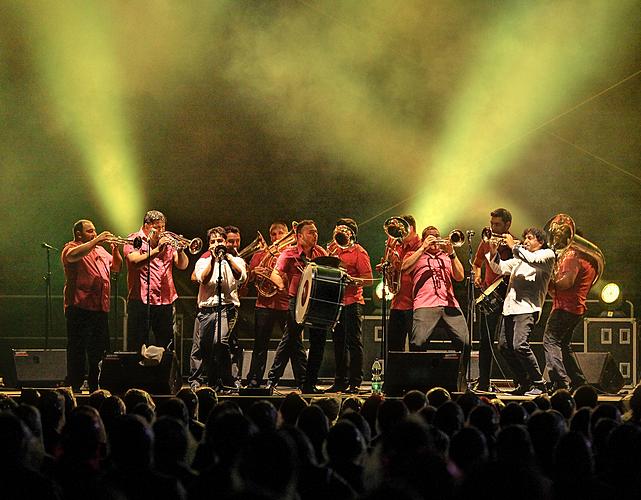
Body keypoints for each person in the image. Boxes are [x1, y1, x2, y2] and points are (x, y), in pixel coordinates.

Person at [486, 227, 555, 396]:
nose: (526, 241)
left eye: (530, 238)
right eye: (525, 238)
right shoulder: (519, 258)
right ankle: (524, 382)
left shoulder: (547, 255)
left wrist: (513, 246)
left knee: (519, 345)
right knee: (503, 347)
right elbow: (499, 268)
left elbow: (531, 259)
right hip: (510, 309)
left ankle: (539, 383)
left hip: (527, 308)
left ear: (541, 241)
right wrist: (494, 252)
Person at [401, 226, 471, 391]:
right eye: (430, 237)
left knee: (465, 343)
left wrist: (452, 253)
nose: (434, 240)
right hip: (425, 304)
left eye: (436, 237)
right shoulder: (415, 254)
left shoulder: (446, 256)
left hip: (449, 304)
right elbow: (404, 268)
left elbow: (459, 277)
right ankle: (418, 384)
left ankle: (459, 382)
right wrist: (423, 248)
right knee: (418, 343)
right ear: (424, 239)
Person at [266, 220, 328, 394]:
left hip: (316, 302)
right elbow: (276, 273)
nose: (315, 235)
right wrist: (281, 287)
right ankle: (272, 381)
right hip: (297, 301)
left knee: (318, 342)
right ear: (299, 236)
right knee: (290, 339)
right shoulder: (289, 253)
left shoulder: (321, 253)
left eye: (316, 232)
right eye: (311, 232)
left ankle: (309, 384)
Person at [61, 220, 122, 392]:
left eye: (95, 231)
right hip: (79, 306)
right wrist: (96, 240)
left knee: (99, 350)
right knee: (77, 348)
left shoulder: (101, 250)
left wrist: (115, 249)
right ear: (79, 234)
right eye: (90, 231)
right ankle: (75, 384)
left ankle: (96, 384)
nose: (94, 234)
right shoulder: (71, 247)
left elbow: (116, 267)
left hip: (100, 307)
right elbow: (71, 256)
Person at [189, 226, 246, 391]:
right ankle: (213, 381)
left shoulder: (236, 260)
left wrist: (227, 258)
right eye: (213, 241)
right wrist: (214, 260)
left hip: (226, 308)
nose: (216, 244)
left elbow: (240, 276)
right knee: (206, 346)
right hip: (207, 310)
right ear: (209, 245)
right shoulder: (203, 261)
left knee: (220, 341)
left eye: (219, 241)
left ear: (225, 243)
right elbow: (204, 279)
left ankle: (228, 379)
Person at [124, 210, 189, 352]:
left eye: (163, 227)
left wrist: (180, 251)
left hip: (165, 299)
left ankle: (164, 373)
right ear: (147, 226)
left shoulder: (168, 242)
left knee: (166, 344)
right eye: (157, 227)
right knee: (137, 343)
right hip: (141, 301)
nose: (161, 231)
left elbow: (182, 265)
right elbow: (134, 262)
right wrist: (157, 250)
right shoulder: (135, 240)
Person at [326, 218, 373, 394]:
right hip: (336, 302)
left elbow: (368, 279)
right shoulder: (333, 250)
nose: (338, 232)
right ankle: (340, 381)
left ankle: (355, 382)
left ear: (351, 233)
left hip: (352, 302)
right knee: (338, 343)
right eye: (337, 228)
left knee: (353, 342)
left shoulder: (359, 252)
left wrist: (352, 280)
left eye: (343, 230)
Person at [544, 241, 597, 391]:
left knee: (550, 342)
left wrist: (547, 278)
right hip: (576, 307)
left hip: (564, 308)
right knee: (564, 345)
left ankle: (560, 381)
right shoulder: (589, 261)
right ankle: (578, 380)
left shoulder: (572, 258)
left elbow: (566, 283)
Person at [471, 208, 514, 392]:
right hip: (490, 294)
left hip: (509, 294)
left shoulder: (515, 244)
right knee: (485, 340)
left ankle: (521, 381)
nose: (493, 228)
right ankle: (483, 382)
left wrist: (511, 247)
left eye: (497, 225)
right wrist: (477, 275)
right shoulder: (486, 241)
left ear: (507, 225)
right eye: (492, 224)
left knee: (510, 341)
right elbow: (477, 262)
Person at [245, 222, 291, 388]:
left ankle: (294, 380)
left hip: (285, 304)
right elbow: (247, 280)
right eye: (273, 234)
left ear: (287, 235)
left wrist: (275, 276)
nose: (277, 237)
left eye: (281, 233)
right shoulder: (261, 254)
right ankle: (254, 379)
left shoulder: (291, 254)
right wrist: (254, 272)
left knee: (292, 345)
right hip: (264, 304)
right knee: (260, 345)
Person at [385, 215, 421, 352]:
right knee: (393, 349)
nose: (398, 234)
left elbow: (406, 268)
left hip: (414, 304)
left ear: (410, 228)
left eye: (401, 230)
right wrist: (388, 267)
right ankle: (395, 374)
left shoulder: (421, 245)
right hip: (397, 302)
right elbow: (395, 269)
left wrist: (397, 264)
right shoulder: (397, 246)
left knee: (416, 349)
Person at [223, 225, 244, 387]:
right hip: (217, 305)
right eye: (231, 241)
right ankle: (224, 378)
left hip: (233, 305)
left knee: (233, 343)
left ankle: (235, 379)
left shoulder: (238, 260)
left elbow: (242, 278)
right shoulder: (212, 257)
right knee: (221, 343)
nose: (235, 245)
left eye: (237, 241)